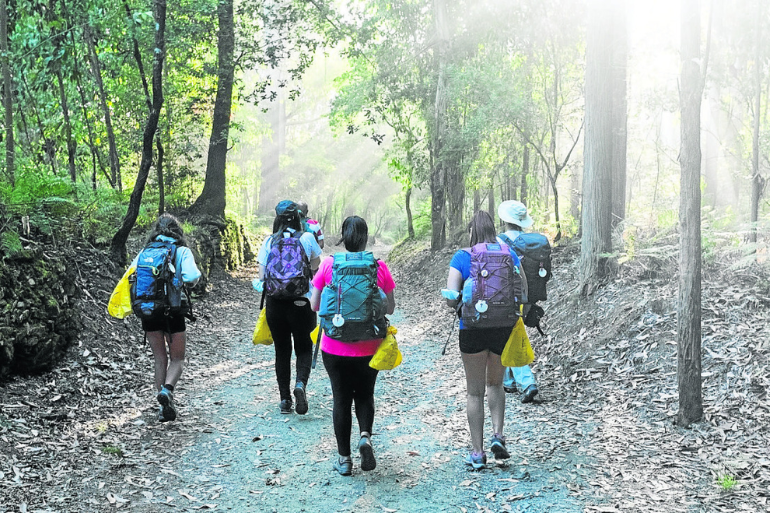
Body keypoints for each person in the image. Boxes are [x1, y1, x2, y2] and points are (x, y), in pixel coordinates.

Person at [310, 216, 396, 476]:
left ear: (343, 238)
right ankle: (365, 437)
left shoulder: (328, 265)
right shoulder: (378, 267)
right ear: (366, 237)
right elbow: (390, 307)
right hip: (370, 345)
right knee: (365, 394)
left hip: (334, 345)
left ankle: (344, 459)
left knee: (341, 399)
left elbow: (315, 306)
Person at [445, 210, 527, 470]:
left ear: (472, 232)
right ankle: (499, 436)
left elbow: (450, 298)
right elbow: (523, 291)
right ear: (494, 230)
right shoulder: (508, 254)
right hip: (503, 327)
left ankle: (478, 453)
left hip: (471, 328)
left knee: (474, 391)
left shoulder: (462, 257)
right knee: (496, 384)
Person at [131, 213, 201, 422]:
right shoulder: (182, 251)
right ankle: (168, 391)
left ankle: (161, 406)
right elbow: (192, 276)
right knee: (177, 358)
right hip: (173, 311)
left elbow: (131, 275)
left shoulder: (145, 251)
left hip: (149, 311)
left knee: (159, 359)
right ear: (177, 230)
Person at [257, 200, 323, 414]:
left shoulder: (268, 242)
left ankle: (285, 400)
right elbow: (316, 268)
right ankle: (300, 385)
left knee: (282, 350)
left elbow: (261, 277)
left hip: (275, 304)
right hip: (302, 302)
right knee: (304, 347)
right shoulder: (306, 238)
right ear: (298, 218)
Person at [496, 200, 539, 404]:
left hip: (506, 297)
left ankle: (527, 382)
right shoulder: (530, 241)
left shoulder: (499, 241)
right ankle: (509, 381)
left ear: (505, 220)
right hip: (527, 296)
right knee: (511, 334)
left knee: (510, 336)